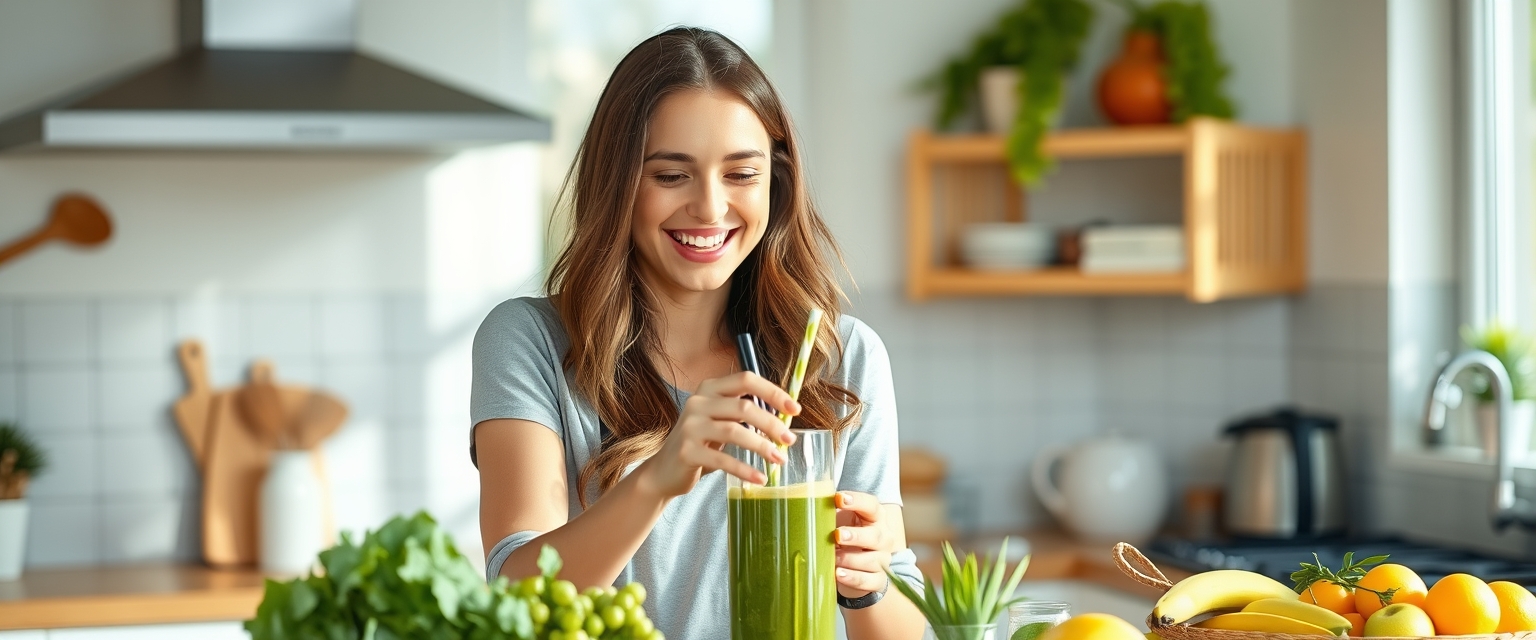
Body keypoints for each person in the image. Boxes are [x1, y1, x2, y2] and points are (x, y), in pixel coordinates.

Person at [471, 26, 924, 640]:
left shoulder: (836, 357)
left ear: (776, 182)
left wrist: (869, 588)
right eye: (670, 176)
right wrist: (658, 477)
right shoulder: (531, 342)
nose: (710, 209)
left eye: (741, 174)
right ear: (619, 183)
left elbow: (904, 627)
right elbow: (517, 599)